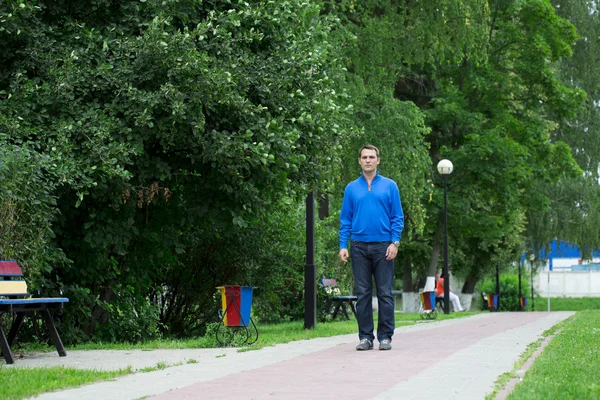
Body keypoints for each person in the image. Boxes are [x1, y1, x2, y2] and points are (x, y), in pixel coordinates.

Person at [339, 144, 404, 351]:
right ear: (359, 161)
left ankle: (385, 337)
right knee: (363, 294)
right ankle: (365, 338)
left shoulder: (389, 186)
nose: (368, 160)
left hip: (384, 247)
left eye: (371, 157)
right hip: (358, 247)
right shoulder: (351, 188)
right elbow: (345, 219)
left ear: (378, 160)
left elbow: (397, 217)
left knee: (385, 293)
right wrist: (343, 245)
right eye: (364, 157)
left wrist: (395, 242)